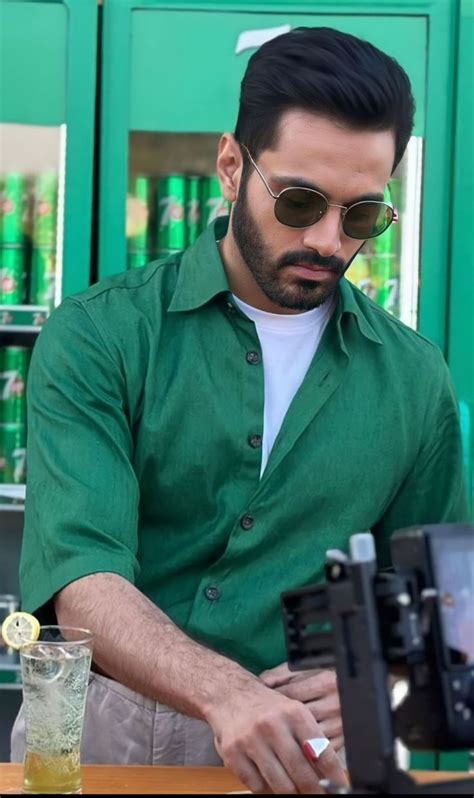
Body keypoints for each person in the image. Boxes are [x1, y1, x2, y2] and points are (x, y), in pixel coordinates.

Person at [12, 26, 466, 794]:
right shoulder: (101, 334)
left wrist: (378, 677)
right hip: (109, 732)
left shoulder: (415, 378)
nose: (328, 240)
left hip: (313, 743)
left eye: (362, 217)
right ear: (230, 165)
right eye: (299, 201)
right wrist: (227, 694)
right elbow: (79, 569)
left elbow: (428, 605)